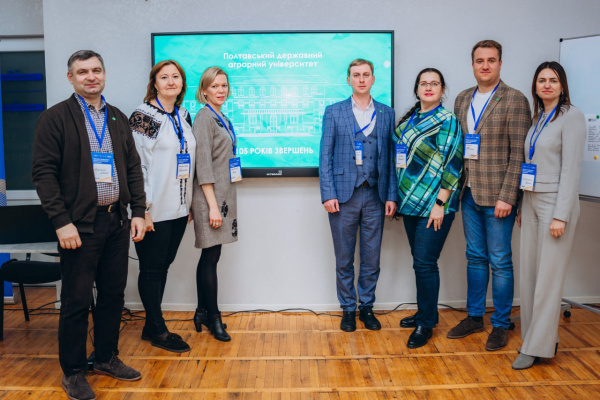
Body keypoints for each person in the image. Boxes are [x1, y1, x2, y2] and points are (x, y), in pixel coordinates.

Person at [32, 50, 146, 400]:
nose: (91, 76)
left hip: (116, 221)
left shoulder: (116, 117)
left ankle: (106, 357)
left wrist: (138, 211)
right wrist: (61, 221)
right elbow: (43, 173)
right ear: (71, 78)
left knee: (113, 295)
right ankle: (74, 371)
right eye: (82, 72)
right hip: (78, 226)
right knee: (77, 300)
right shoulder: (55, 118)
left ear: (104, 74)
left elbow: (132, 168)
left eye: (96, 70)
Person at [447, 40, 531, 351]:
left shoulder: (515, 99)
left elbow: (519, 153)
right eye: (480, 60)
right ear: (472, 65)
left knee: (500, 261)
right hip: (468, 192)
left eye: (491, 60)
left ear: (500, 64)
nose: (485, 66)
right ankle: (474, 317)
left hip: (499, 196)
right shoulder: (462, 98)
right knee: (475, 257)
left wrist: (509, 196)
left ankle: (501, 323)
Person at [512, 62, 586, 369]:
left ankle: (537, 347)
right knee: (529, 276)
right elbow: (530, 164)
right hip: (531, 201)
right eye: (541, 80)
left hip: (555, 203)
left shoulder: (572, 116)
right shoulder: (539, 117)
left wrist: (561, 216)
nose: (546, 85)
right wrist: (521, 204)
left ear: (562, 86)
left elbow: (571, 170)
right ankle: (535, 338)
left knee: (548, 280)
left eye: (553, 80)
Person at [319, 58, 398, 332]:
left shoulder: (387, 113)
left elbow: (390, 158)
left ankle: (366, 307)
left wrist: (392, 195)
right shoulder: (334, 112)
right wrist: (327, 193)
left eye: (366, 75)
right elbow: (325, 156)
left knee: (371, 257)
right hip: (343, 196)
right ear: (348, 80)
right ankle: (347, 309)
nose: (361, 79)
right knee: (344, 258)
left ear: (373, 79)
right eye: (356, 75)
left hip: (376, 194)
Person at [129, 60, 195, 353]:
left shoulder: (183, 114)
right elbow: (137, 165)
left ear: (182, 83)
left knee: (163, 266)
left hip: (179, 208)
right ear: (154, 83)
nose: (170, 81)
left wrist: (188, 203)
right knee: (152, 269)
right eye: (164, 77)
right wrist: (142, 210)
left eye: (175, 76)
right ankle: (158, 329)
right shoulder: (144, 116)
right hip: (153, 210)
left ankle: (150, 326)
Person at [395, 68, 463, 348]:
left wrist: (440, 204)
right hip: (410, 203)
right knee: (419, 261)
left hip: (434, 205)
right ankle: (426, 312)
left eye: (434, 83)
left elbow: (453, 164)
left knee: (425, 263)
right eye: (424, 83)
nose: (429, 87)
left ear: (442, 89)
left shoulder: (448, 120)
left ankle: (426, 324)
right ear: (417, 89)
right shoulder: (411, 118)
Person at [191, 66, 238, 342]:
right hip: (210, 198)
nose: (221, 90)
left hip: (222, 196)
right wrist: (212, 206)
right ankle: (214, 318)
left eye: (224, 85)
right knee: (210, 257)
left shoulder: (222, 117)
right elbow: (203, 166)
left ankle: (201, 312)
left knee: (211, 256)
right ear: (204, 90)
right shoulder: (203, 118)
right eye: (215, 86)